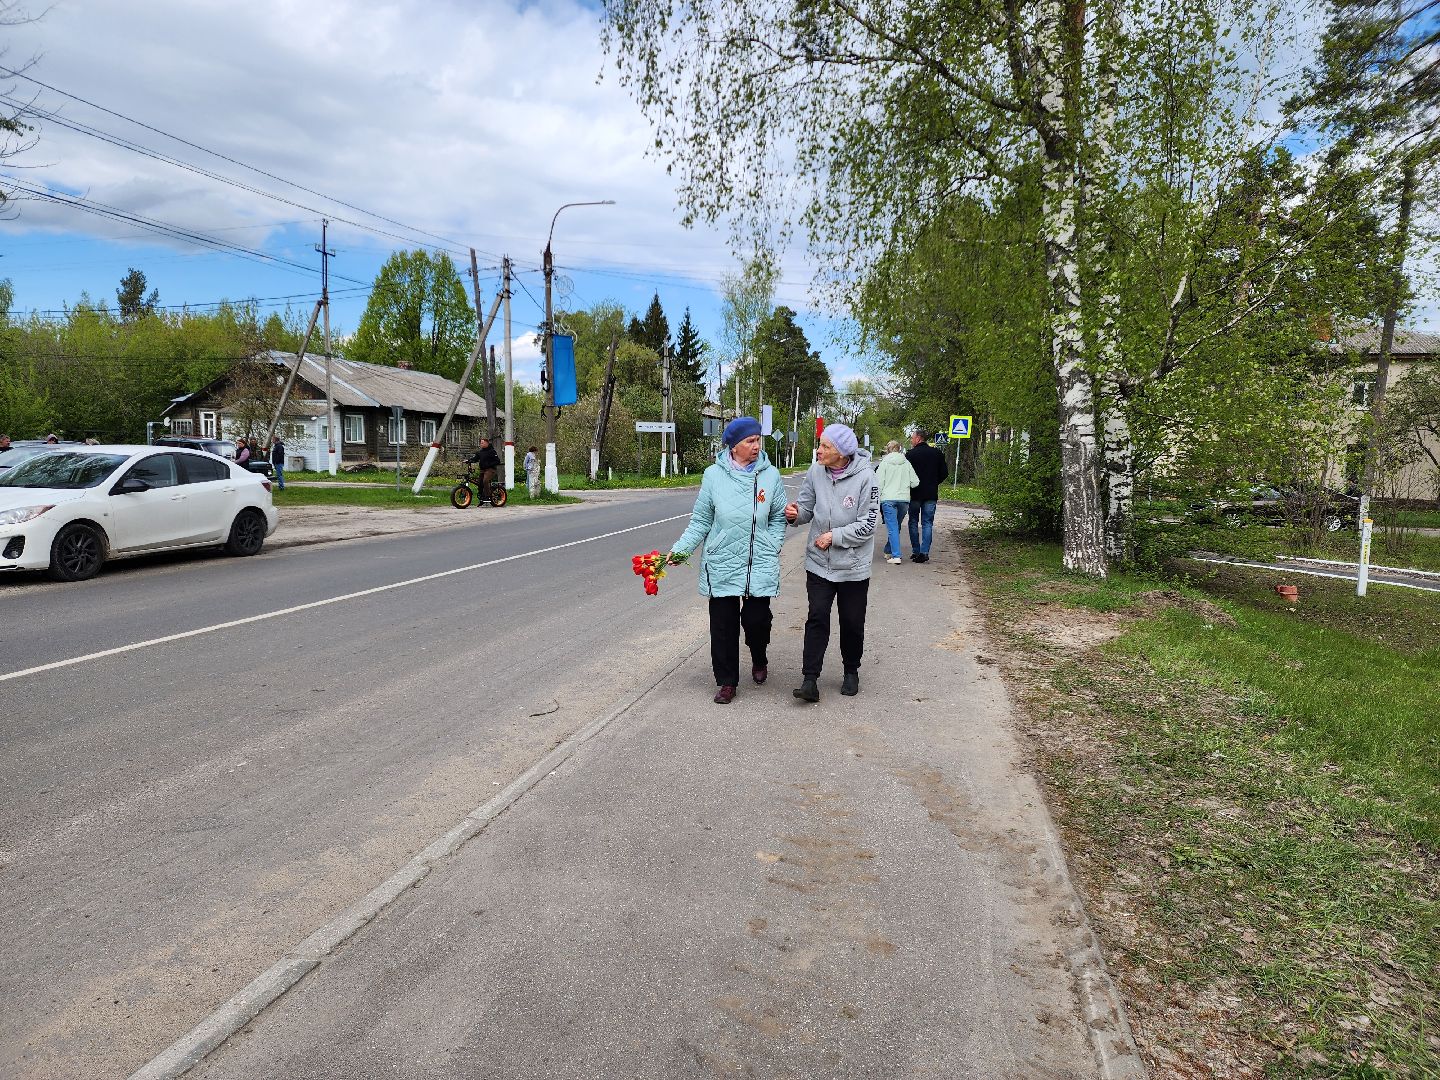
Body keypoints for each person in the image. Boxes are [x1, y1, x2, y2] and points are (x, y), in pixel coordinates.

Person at [668, 416, 788, 705]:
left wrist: (772, 544)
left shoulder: (771, 476)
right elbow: (701, 520)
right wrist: (681, 550)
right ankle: (726, 682)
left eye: (758, 440)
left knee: (757, 621)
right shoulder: (713, 475)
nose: (757, 446)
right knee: (722, 626)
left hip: (758, 559)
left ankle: (759, 657)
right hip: (721, 559)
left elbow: (778, 516)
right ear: (733, 446)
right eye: (750, 441)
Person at [784, 422, 879, 701]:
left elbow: (868, 524)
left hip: (852, 566)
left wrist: (834, 537)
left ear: (841, 452)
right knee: (816, 618)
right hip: (819, 563)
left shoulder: (866, 477)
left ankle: (851, 671)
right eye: (820, 444)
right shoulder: (816, 471)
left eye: (825, 446)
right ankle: (809, 680)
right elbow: (806, 508)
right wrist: (795, 515)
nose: (819, 450)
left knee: (851, 621)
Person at [905, 427, 948, 564]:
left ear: (918, 438)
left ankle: (916, 551)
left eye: (912, 438)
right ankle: (924, 552)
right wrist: (934, 482)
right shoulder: (937, 453)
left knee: (913, 521)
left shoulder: (910, 455)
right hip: (931, 493)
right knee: (927, 522)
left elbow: (905, 474)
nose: (911, 440)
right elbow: (944, 473)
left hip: (914, 494)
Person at [875, 439, 919, 565]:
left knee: (892, 528)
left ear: (888, 450)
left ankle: (896, 556)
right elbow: (915, 482)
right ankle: (888, 550)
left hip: (888, 499)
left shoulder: (884, 463)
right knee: (896, 526)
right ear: (899, 449)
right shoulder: (906, 463)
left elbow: (878, 483)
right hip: (904, 500)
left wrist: (877, 498)